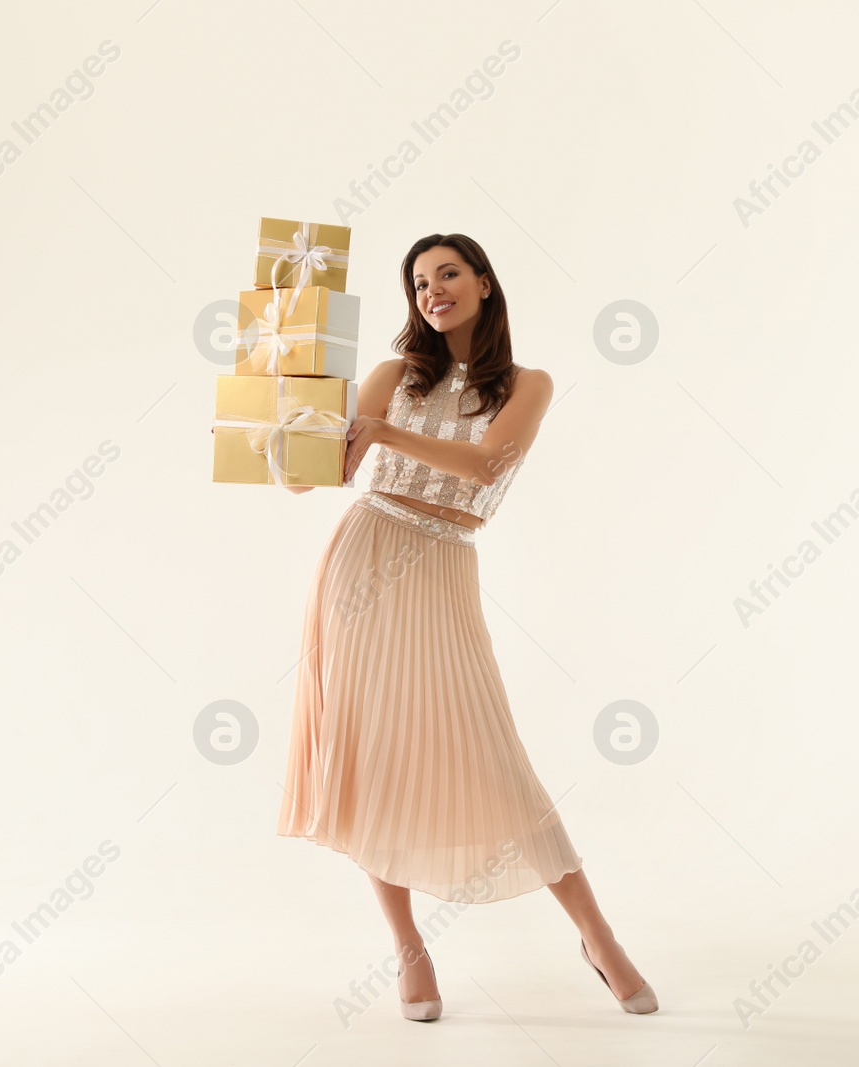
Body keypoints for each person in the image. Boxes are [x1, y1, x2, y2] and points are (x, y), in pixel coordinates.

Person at [270, 233, 657, 1021]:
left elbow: (485, 466)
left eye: (447, 274)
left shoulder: (528, 383)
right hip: (364, 558)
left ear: (483, 282)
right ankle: (410, 949)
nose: (432, 290)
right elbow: (326, 479)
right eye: (418, 282)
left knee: (490, 748)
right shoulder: (390, 374)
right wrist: (279, 426)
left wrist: (379, 434)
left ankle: (598, 935)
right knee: (368, 753)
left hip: (444, 568)